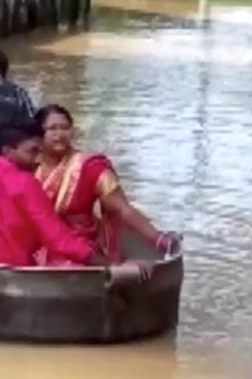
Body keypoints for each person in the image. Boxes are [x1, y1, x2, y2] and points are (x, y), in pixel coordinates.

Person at [0, 107, 105, 268]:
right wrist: (106, 265)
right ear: (7, 150)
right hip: (18, 275)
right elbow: (59, 241)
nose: (39, 160)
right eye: (32, 152)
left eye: (40, 152)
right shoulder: (25, 183)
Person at [34, 104, 180, 266]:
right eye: (52, 128)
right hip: (37, 244)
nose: (59, 134)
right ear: (38, 134)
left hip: (80, 245)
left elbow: (122, 209)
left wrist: (158, 238)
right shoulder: (29, 167)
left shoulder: (90, 167)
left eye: (65, 128)